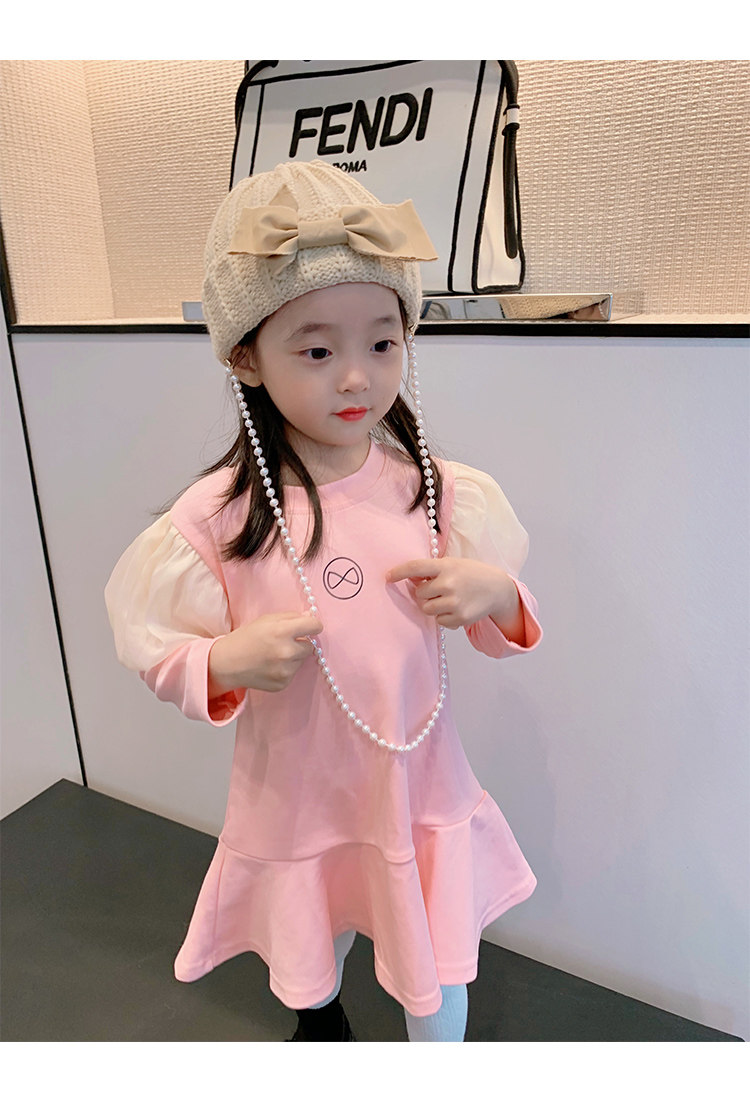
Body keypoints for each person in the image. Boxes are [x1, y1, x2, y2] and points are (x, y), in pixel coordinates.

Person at [105, 160, 543, 1042]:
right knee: (317, 930)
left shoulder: (439, 492)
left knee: (436, 963)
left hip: (416, 785)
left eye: (382, 344)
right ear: (245, 356)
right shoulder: (221, 519)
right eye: (317, 351)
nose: (356, 379)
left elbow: (506, 622)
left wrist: (496, 593)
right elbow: (153, 641)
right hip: (300, 792)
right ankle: (321, 1018)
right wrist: (222, 660)